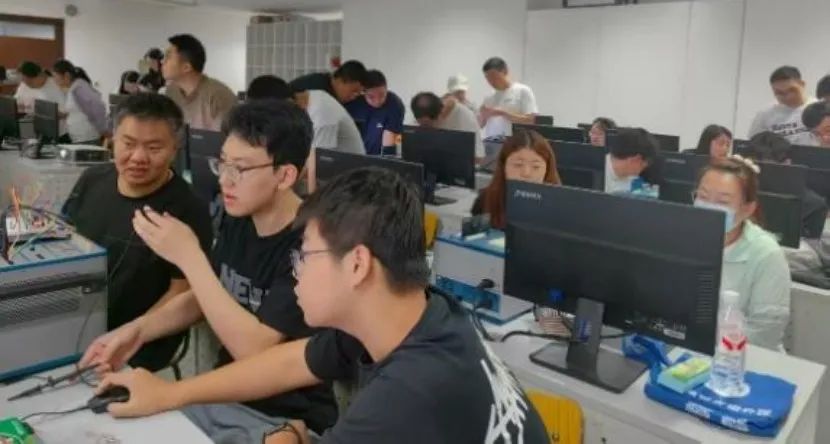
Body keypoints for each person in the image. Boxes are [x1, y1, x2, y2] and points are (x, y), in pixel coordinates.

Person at [95, 166, 549, 443]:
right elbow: (292, 361)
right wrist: (169, 394)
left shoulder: (408, 395)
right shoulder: (423, 311)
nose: (295, 271)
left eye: (305, 256)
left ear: (357, 265)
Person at [80, 99, 337, 442]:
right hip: (223, 396)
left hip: (285, 417)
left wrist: (190, 258)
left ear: (285, 175)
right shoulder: (240, 218)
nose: (225, 181)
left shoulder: (311, 246)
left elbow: (254, 350)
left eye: (240, 169)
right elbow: (207, 295)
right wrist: (136, 331)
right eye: (223, 164)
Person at [62, 93, 213, 371]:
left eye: (154, 148)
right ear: (112, 140)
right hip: (74, 321)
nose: (138, 158)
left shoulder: (189, 209)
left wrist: (129, 334)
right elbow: (65, 239)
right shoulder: (92, 179)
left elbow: (182, 293)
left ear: (175, 148)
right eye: (128, 144)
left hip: (139, 341)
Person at [693, 156, 790, 350]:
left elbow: (765, 333)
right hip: (686, 347)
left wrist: (712, 340)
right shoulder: (682, 236)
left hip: (741, 356)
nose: (709, 208)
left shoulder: (766, 254)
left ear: (747, 209)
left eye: (723, 201)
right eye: (702, 197)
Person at [246, 74, 364, 192]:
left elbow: (317, 167)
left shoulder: (321, 115)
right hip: (328, 173)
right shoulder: (304, 103)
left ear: (287, 103)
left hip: (350, 182)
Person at [744, 131, 828, 239]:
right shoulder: (737, 191)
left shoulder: (813, 205)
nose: (760, 173)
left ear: (787, 163)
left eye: (767, 168)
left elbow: (811, 244)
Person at [472, 129, 561, 229]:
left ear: (547, 169)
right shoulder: (485, 199)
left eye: (536, 167)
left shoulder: (561, 207)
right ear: (504, 167)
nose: (526, 173)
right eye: (518, 165)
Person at [163, 34, 237, 131]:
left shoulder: (218, 96)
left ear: (186, 67)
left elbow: (227, 138)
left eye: (168, 57)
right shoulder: (171, 91)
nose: (162, 62)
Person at [748, 66, 816, 144]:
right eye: (780, 93)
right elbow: (754, 142)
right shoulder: (765, 114)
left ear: (802, 84)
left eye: (792, 90)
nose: (788, 96)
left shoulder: (819, 108)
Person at [344, 70, 404, 156]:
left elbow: (391, 142)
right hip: (354, 153)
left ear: (386, 89)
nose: (377, 101)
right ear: (363, 92)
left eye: (382, 95)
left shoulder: (394, 104)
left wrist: (388, 159)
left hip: (379, 155)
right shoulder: (353, 102)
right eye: (371, 97)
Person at [411, 91, 484, 159]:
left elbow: (479, 158)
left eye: (427, 125)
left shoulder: (465, 115)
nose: (425, 128)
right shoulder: (424, 112)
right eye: (421, 124)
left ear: (440, 115)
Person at [479, 57, 538, 139]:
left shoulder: (522, 91)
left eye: (494, 77)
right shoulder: (488, 97)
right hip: (491, 141)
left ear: (505, 71)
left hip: (515, 142)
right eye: (488, 78)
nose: (491, 81)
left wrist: (503, 113)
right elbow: (481, 125)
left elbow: (531, 120)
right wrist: (482, 116)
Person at [52, 59, 107, 143]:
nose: (54, 79)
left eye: (55, 76)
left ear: (66, 75)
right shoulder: (72, 88)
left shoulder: (80, 88)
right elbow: (75, 111)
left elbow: (98, 108)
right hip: (78, 137)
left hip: (87, 137)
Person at [14, 61, 67, 138]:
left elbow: (65, 114)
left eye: (30, 82)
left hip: (54, 133)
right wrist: (23, 109)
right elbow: (17, 104)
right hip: (30, 127)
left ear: (40, 75)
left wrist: (44, 113)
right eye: (24, 81)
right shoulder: (24, 84)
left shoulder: (56, 86)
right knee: (23, 142)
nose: (27, 85)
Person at [605, 127, 661, 194]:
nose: (643, 170)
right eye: (644, 165)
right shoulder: (599, 171)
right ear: (637, 159)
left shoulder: (634, 181)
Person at [289, 60, 368, 104]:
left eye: (359, 93)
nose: (354, 97)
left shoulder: (332, 89)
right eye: (354, 91)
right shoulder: (318, 88)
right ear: (340, 81)